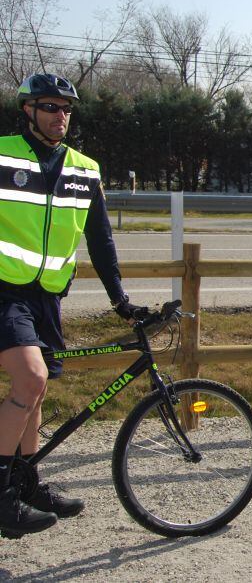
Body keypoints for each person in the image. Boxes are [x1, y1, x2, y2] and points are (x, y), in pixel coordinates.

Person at [0, 73, 142, 537]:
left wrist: (119, 300)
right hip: (4, 291)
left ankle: (26, 483)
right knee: (31, 377)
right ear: (28, 110)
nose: (60, 116)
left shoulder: (85, 169)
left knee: (36, 392)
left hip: (47, 297)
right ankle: (1, 496)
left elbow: (99, 240)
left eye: (66, 109)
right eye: (49, 107)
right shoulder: (3, 154)